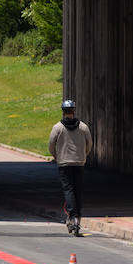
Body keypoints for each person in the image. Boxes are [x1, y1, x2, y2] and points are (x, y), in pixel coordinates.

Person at [48, 99, 91, 236]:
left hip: (64, 163)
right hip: (79, 162)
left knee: (69, 190)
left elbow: (51, 145)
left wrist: (57, 156)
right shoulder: (83, 127)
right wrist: (83, 155)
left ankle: (71, 216)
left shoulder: (57, 128)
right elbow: (89, 144)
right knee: (78, 190)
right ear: (74, 111)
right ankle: (78, 217)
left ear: (63, 111)